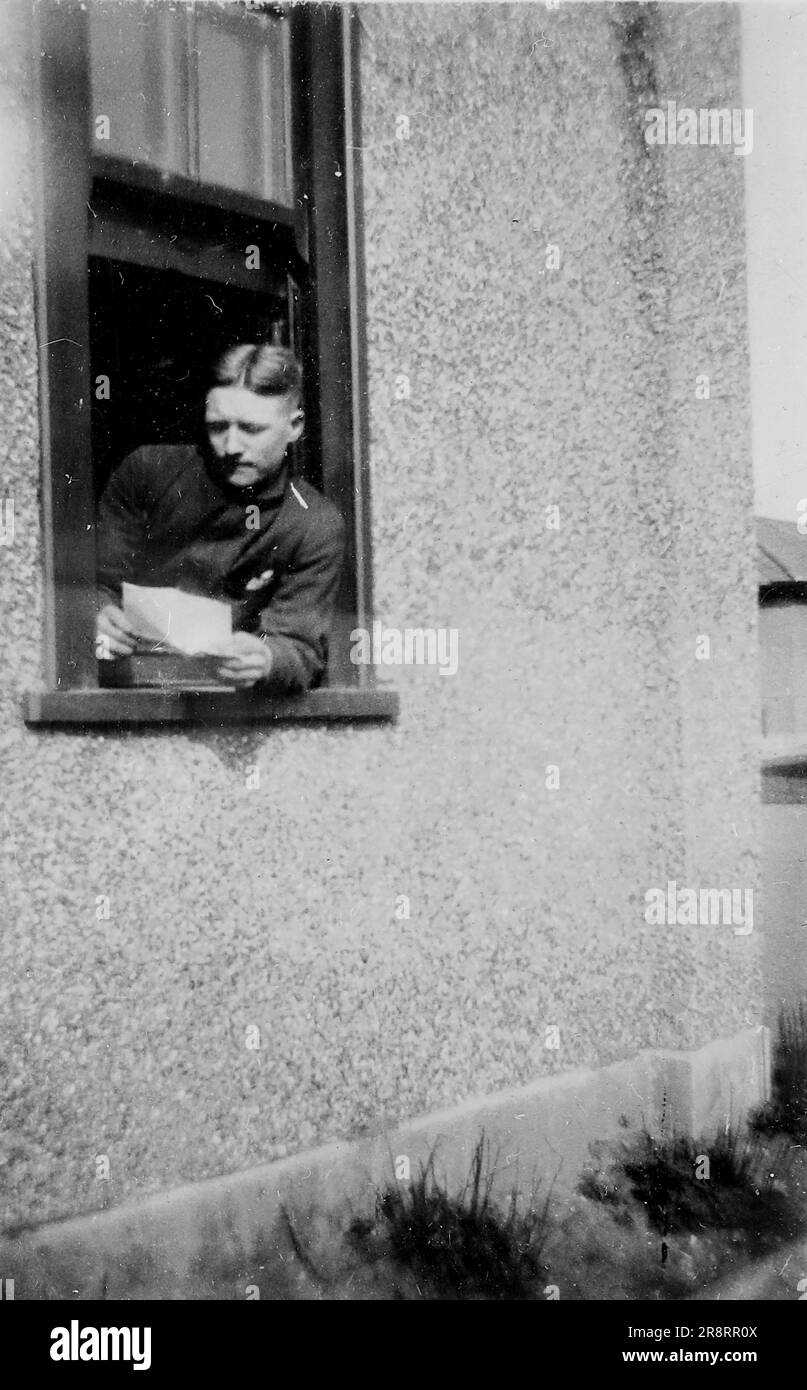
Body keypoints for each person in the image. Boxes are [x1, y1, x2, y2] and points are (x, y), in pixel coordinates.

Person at [95, 344, 346, 693]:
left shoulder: (313, 523)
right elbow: (87, 584)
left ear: (295, 426)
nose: (230, 446)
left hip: (225, 703)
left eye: (251, 429)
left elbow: (301, 648)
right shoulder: (146, 473)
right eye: (217, 426)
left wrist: (267, 659)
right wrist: (95, 616)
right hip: (126, 691)